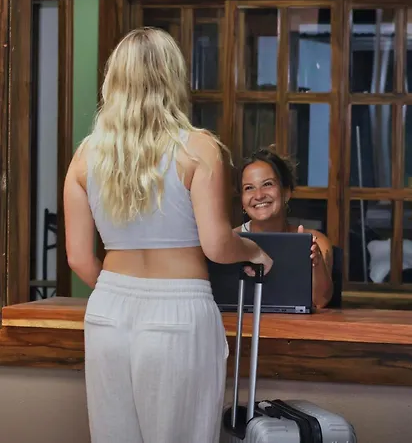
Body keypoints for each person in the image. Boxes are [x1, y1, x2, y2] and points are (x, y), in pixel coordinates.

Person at [63, 27, 272, 443]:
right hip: (178, 310)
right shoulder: (198, 148)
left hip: (107, 311)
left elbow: (79, 259)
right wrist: (254, 251)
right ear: (173, 77)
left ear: (114, 80)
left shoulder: (85, 156)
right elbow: (218, 245)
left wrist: (123, 291)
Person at [235, 148, 333, 309]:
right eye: (249, 188)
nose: (259, 195)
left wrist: (315, 262)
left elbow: (320, 301)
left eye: (267, 184)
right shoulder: (230, 241)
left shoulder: (315, 242)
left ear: (286, 193)